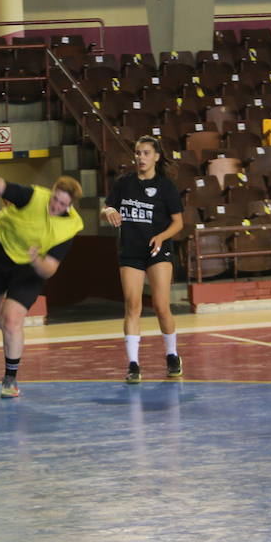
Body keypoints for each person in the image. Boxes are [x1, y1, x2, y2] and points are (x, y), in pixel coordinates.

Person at [0, 171, 84, 398]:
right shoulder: (32, 196)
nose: (55, 206)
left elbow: (50, 269)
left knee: (12, 319)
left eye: (62, 204)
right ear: (52, 192)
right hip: (1, 253)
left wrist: (36, 261)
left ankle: (10, 378)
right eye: (55, 198)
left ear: (71, 206)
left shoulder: (69, 227)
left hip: (31, 268)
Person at [102, 136, 185, 383]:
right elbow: (107, 207)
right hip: (131, 251)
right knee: (132, 305)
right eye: (138, 153)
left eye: (146, 153)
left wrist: (161, 237)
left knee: (160, 305)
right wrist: (109, 210)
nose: (140, 157)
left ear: (156, 157)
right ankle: (133, 364)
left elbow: (178, 223)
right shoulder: (124, 183)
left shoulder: (166, 187)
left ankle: (172, 355)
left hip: (158, 251)